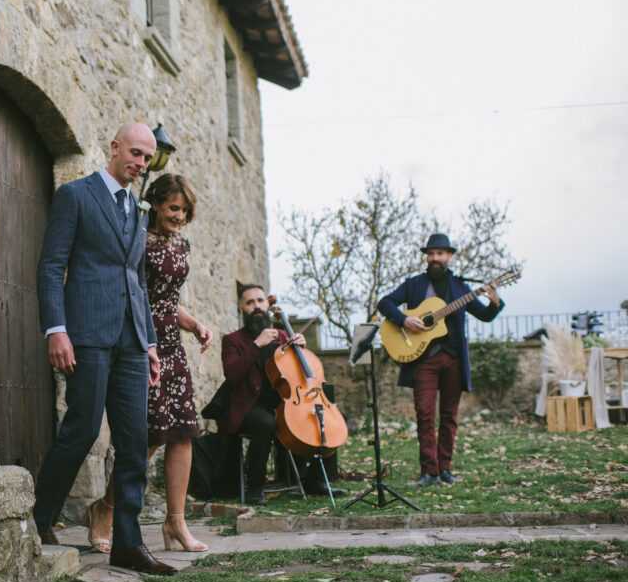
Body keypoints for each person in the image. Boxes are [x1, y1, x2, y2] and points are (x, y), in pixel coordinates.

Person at [34, 123, 175, 576]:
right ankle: (37, 520)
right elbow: (52, 266)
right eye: (135, 153)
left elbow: (137, 282)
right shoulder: (75, 196)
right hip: (88, 335)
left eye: (147, 158)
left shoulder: (138, 209)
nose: (141, 163)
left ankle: (129, 544)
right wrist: (57, 329)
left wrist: (150, 341)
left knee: (134, 443)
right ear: (114, 148)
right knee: (81, 430)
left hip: (132, 342)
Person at [85, 174, 213, 555]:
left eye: (185, 211)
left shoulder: (180, 243)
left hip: (172, 344)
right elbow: (134, 290)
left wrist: (194, 325)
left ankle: (175, 523)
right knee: (150, 435)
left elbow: (167, 299)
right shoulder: (135, 236)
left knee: (183, 433)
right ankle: (104, 509)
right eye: (174, 208)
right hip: (141, 340)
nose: (179, 216)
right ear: (155, 203)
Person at [377, 233, 504, 486]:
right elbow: (385, 302)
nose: (435, 258)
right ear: (427, 256)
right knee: (424, 416)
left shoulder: (461, 288)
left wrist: (495, 301)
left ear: (449, 256)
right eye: (431, 253)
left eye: (440, 253)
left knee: (449, 417)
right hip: (423, 359)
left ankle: (444, 469)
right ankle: (429, 472)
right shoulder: (414, 284)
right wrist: (404, 320)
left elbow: (484, 315)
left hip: (453, 361)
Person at [221, 285, 347, 505]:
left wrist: (302, 350)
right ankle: (255, 487)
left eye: (260, 301)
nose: (256, 306)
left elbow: (297, 373)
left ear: (268, 305)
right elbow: (232, 375)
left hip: (284, 399)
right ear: (241, 308)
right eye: (250, 303)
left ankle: (316, 480)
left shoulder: (282, 336)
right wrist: (256, 345)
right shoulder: (233, 340)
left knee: (317, 412)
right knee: (266, 422)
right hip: (251, 404)